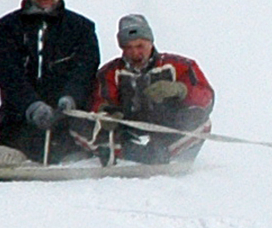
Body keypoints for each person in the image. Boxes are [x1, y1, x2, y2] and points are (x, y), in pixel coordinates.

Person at [0, 0, 99, 163]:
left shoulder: (81, 28)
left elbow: (85, 69)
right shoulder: (8, 27)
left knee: (74, 157)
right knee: (9, 155)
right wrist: (32, 106)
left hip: (67, 122)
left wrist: (71, 99)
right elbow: (6, 71)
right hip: (20, 119)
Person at [82, 14, 215, 164]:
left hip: (168, 131)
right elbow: (100, 102)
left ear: (150, 42)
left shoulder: (179, 65)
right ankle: (126, 153)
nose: (135, 53)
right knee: (82, 124)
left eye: (140, 46)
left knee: (201, 120)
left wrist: (180, 90)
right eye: (128, 48)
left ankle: (166, 154)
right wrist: (107, 114)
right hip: (127, 134)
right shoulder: (110, 72)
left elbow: (207, 98)